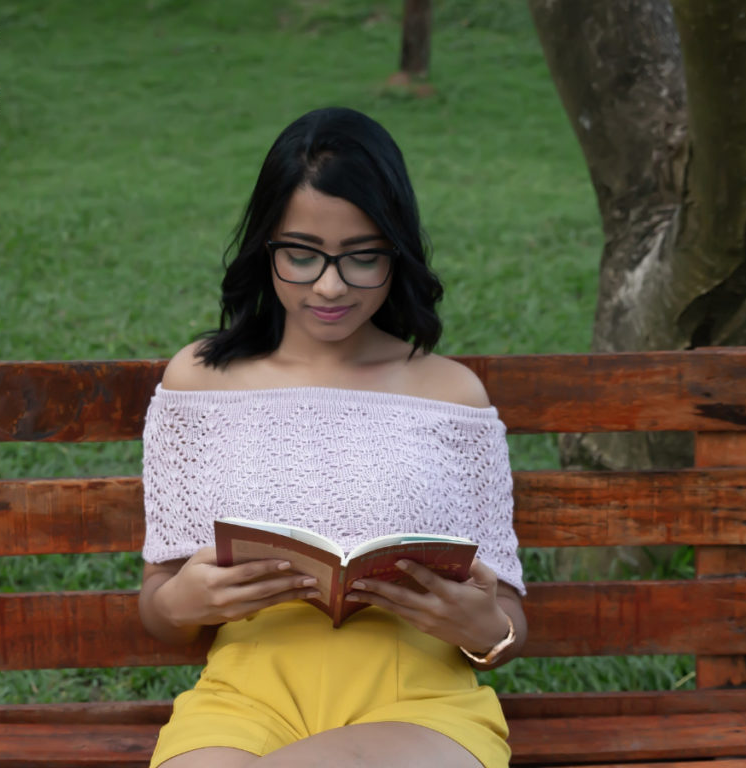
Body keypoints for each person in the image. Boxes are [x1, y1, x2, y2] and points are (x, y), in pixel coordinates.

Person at [138, 106, 527, 768]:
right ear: (266, 248)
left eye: (361, 258)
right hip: (241, 698)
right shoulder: (198, 382)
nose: (329, 285)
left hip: (419, 700)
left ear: (395, 253)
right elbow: (157, 598)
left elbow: (509, 614)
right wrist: (182, 602)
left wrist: (486, 629)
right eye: (302, 254)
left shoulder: (452, 395)